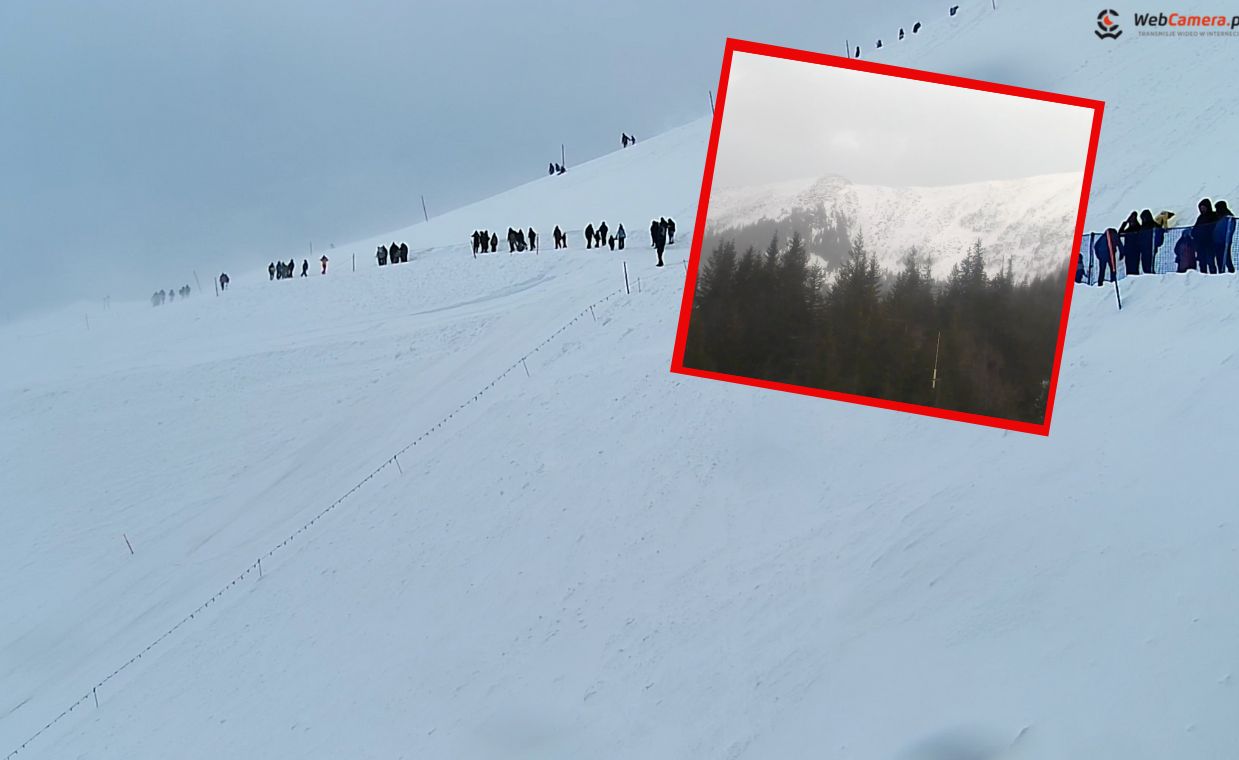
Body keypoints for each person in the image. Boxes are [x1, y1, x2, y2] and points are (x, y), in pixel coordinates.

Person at [1193, 198, 1218, 273]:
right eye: (1201, 208)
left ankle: (1213, 275)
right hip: (1200, 244)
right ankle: (1203, 276)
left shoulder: (1213, 215)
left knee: (1211, 261)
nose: (1202, 209)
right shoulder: (1200, 218)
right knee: (1202, 262)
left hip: (1210, 242)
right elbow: (1195, 229)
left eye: (1204, 208)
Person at [1214, 200, 1236, 273]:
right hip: (1217, 242)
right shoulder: (1219, 217)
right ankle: (1221, 272)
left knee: (1226, 258)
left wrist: (1226, 239)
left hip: (1224, 242)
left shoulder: (1228, 217)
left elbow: (1229, 230)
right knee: (1219, 259)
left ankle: (1231, 272)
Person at [1118, 211, 1141, 275]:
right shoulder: (1130, 229)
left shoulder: (1138, 228)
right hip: (1129, 251)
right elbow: (1119, 233)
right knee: (1129, 267)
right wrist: (1124, 224)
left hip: (1135, 251)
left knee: (1134, 267)